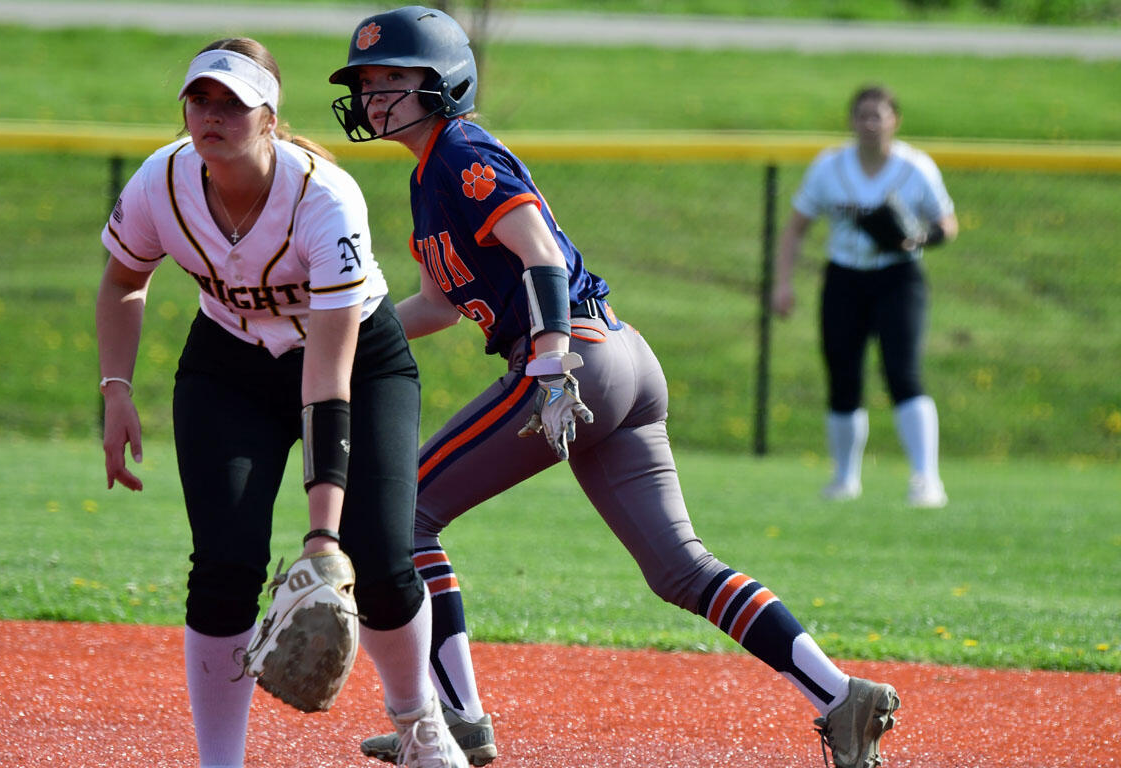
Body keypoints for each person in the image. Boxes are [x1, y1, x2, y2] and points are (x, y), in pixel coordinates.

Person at [327, 8, 900, 768]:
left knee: (403, 520)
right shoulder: (428, 174)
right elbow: (438, 301)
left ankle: (458, 722)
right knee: (680, 569)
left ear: (445, 83)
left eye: (394, 79)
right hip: (620, 357)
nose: (375, 96)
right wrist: (346, 334)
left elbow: (537, 250)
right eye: (367, 82)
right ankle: (840, 696)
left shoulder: (462, 151)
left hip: (575, 362)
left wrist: (553, 357)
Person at [95, 37, 468, 768]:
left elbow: (326, 377)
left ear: (270, 116)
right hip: (228, 366)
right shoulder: (160, 182)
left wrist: (322, 539)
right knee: (225, 569)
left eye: (233, 102)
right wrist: (116, 390)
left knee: (383, 563)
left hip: (358, 363)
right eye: (200, 99)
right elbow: (122, 281)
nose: (213, 114)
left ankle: (418, 723)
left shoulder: (324, 196)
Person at [773, 84, 958, 509]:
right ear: (851, 121)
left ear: (895, 120)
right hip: (844, 278)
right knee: (843, 378)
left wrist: (920, 237)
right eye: (862, 115)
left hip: (899, 279)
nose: (870, 123)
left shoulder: (915, 168)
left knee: (903, 372)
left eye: (879, 115)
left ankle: (926, 480)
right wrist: (783, 284)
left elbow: (948, 223)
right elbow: (795, 229)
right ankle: (843, 479)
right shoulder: (829, 167)